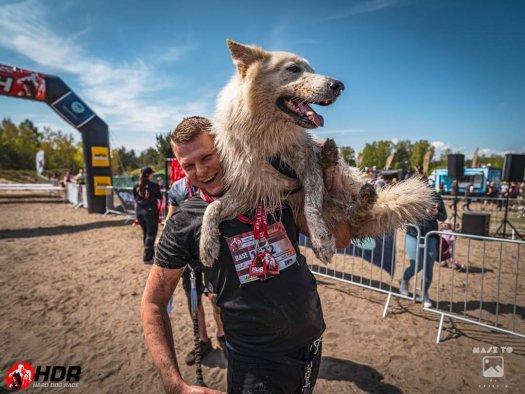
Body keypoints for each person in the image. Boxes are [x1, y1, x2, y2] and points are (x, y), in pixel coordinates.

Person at [141, 116, 351, 393]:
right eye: (188, 166)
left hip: (311, 342)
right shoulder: (184, 222)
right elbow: (153, 303)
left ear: (226, 146)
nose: (201, 171)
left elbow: (340, 238)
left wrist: (331, 173)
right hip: (256, 364)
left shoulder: (273, 187)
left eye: (207, 157)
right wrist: (175, 385)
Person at [165, 176, 225, 365]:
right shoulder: (177, 188)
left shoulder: (212, 180)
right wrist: (164, 240)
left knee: (216, 298)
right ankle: (203, 340)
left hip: (211, 253)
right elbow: (171, 217)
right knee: (193, 298)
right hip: (187, 259)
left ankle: (223, 336)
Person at [399, 181, 447, 308]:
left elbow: (443, 216)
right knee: (417, 265)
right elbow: (403, 214)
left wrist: (436, 213)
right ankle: (404, 281)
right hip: (413, 235)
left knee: (428, 267)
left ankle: (424, 294)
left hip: (431, 237)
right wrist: (418, 211)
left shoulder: (435, 195)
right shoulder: (410, 195)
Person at [134, 166, 162, 264]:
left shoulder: (136, 185)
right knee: (151, 235)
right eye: (151, 173)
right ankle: (147, 257)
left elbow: (135, 198)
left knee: (146, 234)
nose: (153, 175)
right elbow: (159, 196)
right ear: (147, 175)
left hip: (139, 211)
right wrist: (158, 186)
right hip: (149, 212)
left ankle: (149, 254)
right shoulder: (153, 185)